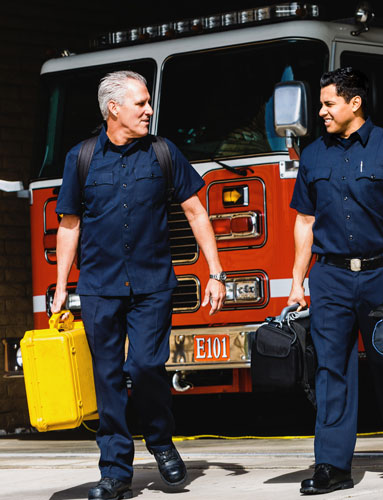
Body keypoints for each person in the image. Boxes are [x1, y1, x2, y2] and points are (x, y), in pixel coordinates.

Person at [51, 70, 226, 500]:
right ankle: (114, 472)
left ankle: (160, 439)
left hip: (153, 285)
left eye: (148, 103)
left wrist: (216, 272)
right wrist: (59, 286)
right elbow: (69, 225)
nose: (149, 110)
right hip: (99, 287)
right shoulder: (81, 158)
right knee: (107, 377)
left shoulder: (163, 153)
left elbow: (196, 212)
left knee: (146, 367)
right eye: (141, 103)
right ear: (114, 109)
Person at [287, 67, 383, 495]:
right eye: (321, 103)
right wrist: (298, 280)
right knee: (331, 370)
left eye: (329, 103)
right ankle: (332, 466)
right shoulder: (313, 155)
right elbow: (305, 221)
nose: (321, 111)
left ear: (355, 103)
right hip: (329, 276)